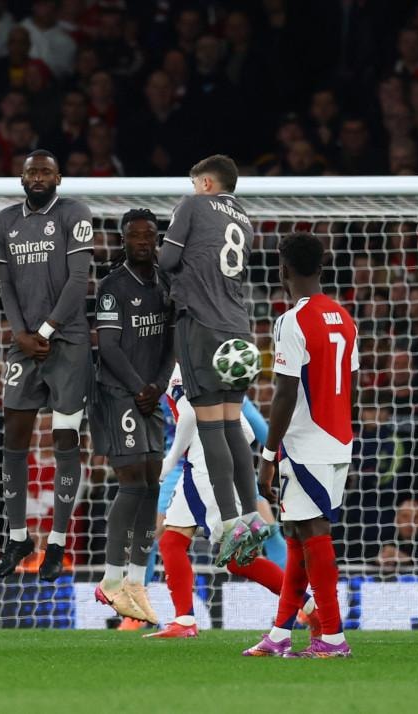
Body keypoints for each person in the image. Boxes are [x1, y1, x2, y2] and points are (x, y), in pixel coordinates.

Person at [244, 232, 357, 658]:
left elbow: (285, 393)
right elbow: (353, 385)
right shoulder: (344, 318)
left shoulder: (292, 321)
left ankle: (333, 636)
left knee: (313, 533)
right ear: (321, 268)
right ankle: (281, 632)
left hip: (307, 444)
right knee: (295, 534)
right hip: (338, 440)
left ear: (283, 269)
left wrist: (268, 456)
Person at [145, 365, 317, 638]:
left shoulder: (177, 370)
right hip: (205, 466)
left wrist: (171, 459)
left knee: (234, 556)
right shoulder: (206, 372)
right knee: (173, 541)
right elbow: (247, 431)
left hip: (205, 469)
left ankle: (310, 606)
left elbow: (188, 415)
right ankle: (184, 620)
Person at [0, 149, 94, 582]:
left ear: (58, 178)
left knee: (65, 440)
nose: (37, 177)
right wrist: (20, 333)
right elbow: (5, 283)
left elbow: (78, 280)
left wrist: (45, 331)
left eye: (45, 172)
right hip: (25, 345)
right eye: (31, 171)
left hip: (67, 344)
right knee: (14, 437)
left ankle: (56, 543)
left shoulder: (74, 213)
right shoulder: (3, 222)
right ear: (21, 177)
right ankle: (18, 537)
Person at [158, 154, 268, 566]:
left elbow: (167, 260)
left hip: (201, 325)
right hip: (238, 328)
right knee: (232, 424)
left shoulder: (193, 205)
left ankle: (228, 523)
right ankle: (252, 516)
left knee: (210, 427)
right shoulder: (244, 220)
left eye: (194, 183)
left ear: (206, 183)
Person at [89, 209, 174, 623]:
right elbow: (108, 345)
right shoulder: (112, 286)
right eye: (135, 235)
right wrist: (140, 387)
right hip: (118, 393)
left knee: (152, 483)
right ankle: (110, 580)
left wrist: (158, 386)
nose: (142, 241)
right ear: (123, 240)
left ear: (157, 239)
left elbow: (172, 341)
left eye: (149, 235)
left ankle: (137, 581)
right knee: (132, 480)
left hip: (151, 395)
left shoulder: (166, 283)